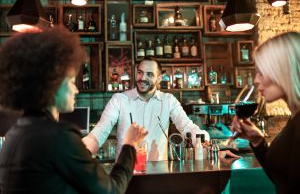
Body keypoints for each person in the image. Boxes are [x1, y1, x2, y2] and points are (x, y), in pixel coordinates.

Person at [0, 26, 147, 194]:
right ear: (51, 85)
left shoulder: (15, 134)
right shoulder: (58, 136)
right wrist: (129, 145)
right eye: (70, 81)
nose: (75, 89)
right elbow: (111, 191)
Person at [83, 59, 210, 161]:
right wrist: (80, 152)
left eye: (149, 74)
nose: (142, 78)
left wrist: (207, 143)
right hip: (126, 174)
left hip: (158, 174)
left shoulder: (168, 100)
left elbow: (187, 127)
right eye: (140, 72)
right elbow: (100, 131)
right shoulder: (120, 100)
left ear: (159, 78)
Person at [231, 31, 300, 193]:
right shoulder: (295, 117)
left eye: (261, 72)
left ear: (283, 70)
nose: (256, 80)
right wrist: (257, 141)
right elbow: (282, 179)